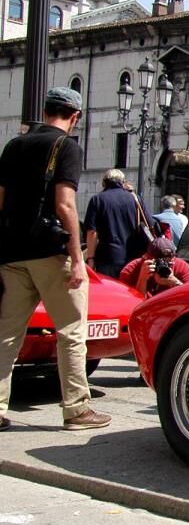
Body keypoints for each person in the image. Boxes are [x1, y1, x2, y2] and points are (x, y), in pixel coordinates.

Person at [0, 87, 110, 432]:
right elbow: (64, 204)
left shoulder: (14, 145)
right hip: (50, 251)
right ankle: (76, 410)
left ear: (46, 110)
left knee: (6, 336)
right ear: (74, 117)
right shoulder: (67, 147)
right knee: (71, 332)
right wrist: (78, 258)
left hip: (12, 253)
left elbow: (1, 199)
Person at [83, 169, 149, 277]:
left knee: (109, 291)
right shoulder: (136, 199)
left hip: (107, 258)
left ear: (104, 182)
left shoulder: (97, 199)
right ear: (123, 182)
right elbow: (148, 224)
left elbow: (91, 232)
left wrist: (91, 258)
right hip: (133, 257)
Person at [119, 236, 189, 297]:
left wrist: (175, 283)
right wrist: (142, 279)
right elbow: (131, 303)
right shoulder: (131, 270)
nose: (164, 266)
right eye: (159, 262)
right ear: (146, 257)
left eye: (169, 263)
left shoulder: (181, 266)